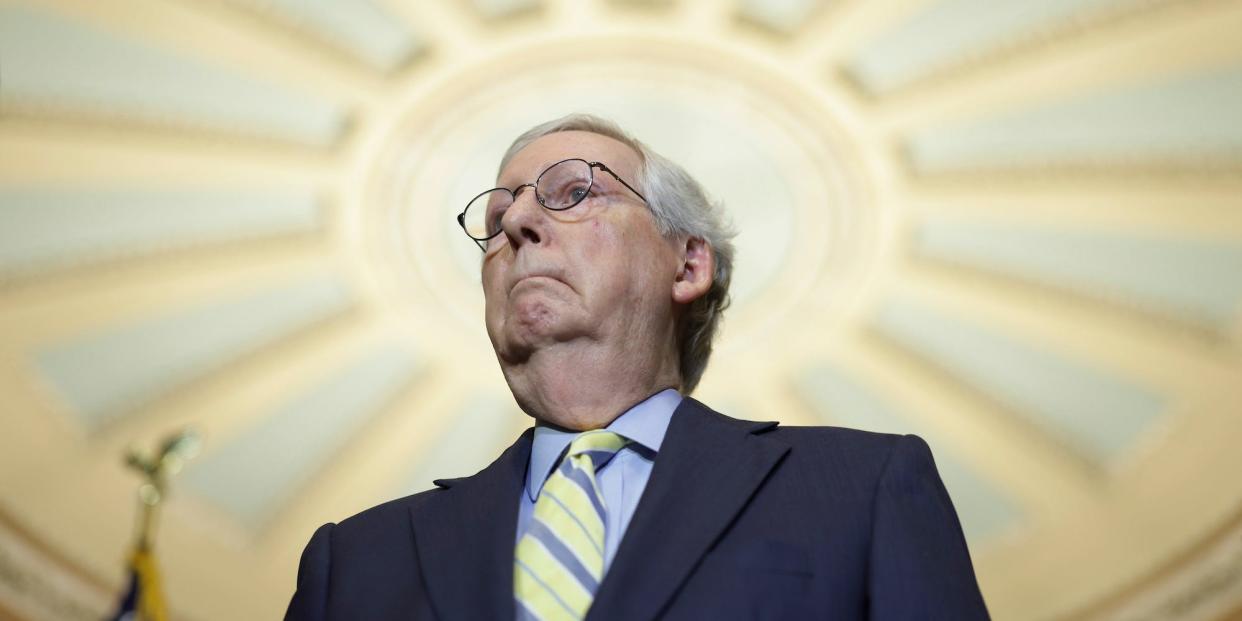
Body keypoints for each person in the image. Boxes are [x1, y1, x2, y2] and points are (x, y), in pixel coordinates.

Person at [285, 114, 990, 620]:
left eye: (572, 192)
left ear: (687, 262)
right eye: (499, 217)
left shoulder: (862, 489)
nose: (519, 225)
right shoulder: (352, 562)